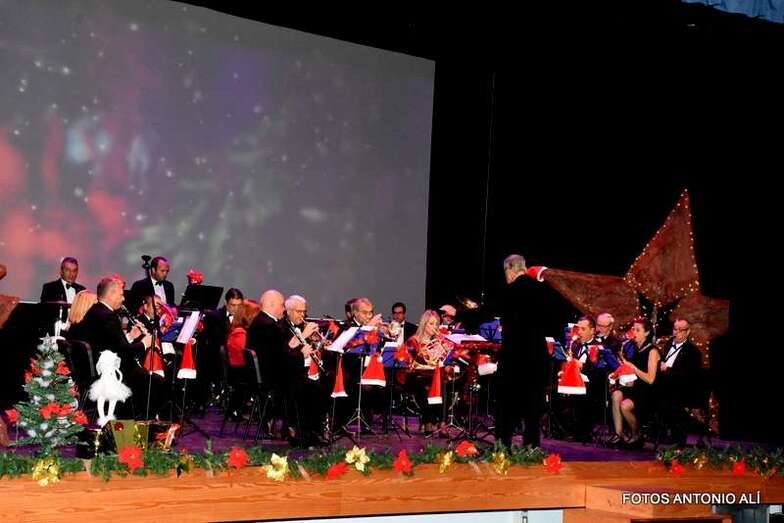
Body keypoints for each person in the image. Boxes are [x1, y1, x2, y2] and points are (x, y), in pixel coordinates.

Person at [495, 254, 553, 448]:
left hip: (515, 357)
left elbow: (497, 314)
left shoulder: (512, 291)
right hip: (537, 356)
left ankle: (503, 447)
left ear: (510, 269)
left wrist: (466, 315)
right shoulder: (541, 289)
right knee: (532, 409)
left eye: (505, 272)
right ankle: (532, 449)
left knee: (507, 405)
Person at [609, 317, 660, 447]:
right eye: (633, 330)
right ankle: (618, 435)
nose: (634, 333)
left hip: (648, 390)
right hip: (634, 386)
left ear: (647, 333)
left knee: (625, 405)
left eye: (638, 330)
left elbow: (650, 379)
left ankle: (637, 434)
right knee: (616, 395)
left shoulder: (652, 351)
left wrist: (633, 368)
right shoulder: (633, 348)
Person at [401, 309, 452, 435]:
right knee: (427, 386)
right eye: (431, 323)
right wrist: (432, 353)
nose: (434, 327)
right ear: (424, 324)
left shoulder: (439, 341)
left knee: (444, 382)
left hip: (434, 374)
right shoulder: (414, 340)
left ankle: (442, 423)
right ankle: (428, 422)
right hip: (417, 375)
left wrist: (445, 351)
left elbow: (444, 360)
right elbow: (417, 359)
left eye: (436, 324)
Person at [657, 318, 703, 445]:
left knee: (668, 400)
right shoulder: (667, 345)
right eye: (675, 329)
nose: (676, 332)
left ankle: (674, 437)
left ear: (688, 332)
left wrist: (668, 369)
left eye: (680, 330)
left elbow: (690, 377)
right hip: (665, 386)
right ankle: (655, 432)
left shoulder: (693, 352)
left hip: (682, 389)